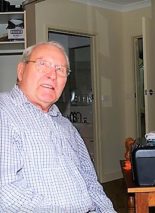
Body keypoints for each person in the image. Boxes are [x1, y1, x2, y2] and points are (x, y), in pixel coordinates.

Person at [0, 41, 116, 212]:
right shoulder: (4, 111)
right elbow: (5, 193)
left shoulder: (66, 125)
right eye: (42, 64)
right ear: (21, 71)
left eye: (60, 70)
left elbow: (90, 181)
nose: (52, 75)